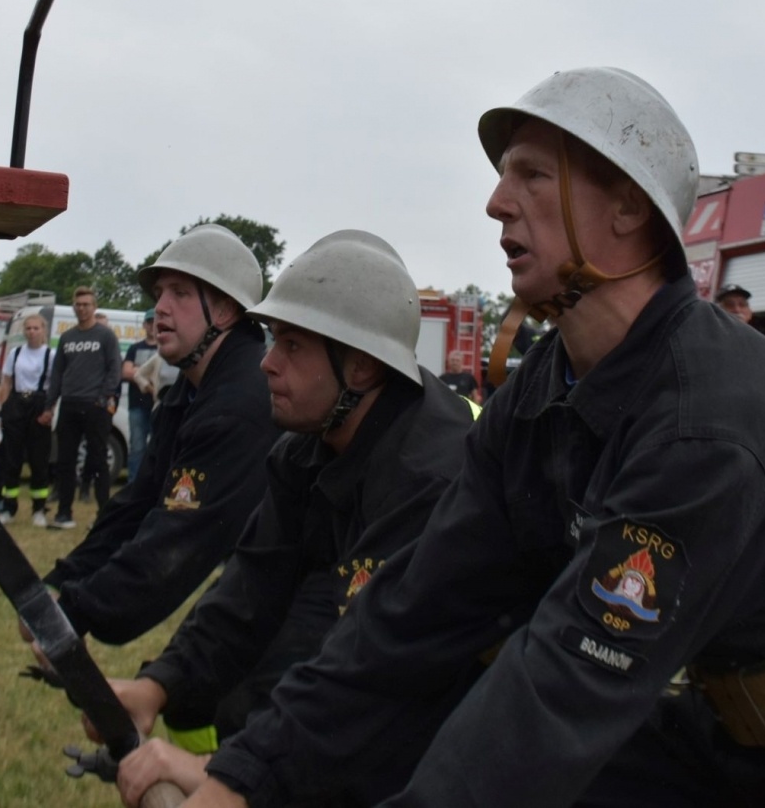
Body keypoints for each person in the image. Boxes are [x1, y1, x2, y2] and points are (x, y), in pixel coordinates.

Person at [190, 67, 765, 808]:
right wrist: (246, 773)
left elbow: (564, 683)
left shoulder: (703, 419)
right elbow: (413, 610)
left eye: (532, 173)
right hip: (725, 729)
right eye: (504, 174)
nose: (496, 201)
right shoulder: (542, 392)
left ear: (628, 209)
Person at [104, 231, 478, 806]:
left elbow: (368, 671)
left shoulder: (431, 478)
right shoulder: (306, 445)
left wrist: (230, 774)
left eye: (293, 345)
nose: (267, 363)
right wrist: (161, 684)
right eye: (273, 338)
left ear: (360, 367)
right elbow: (251, 587)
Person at [38, 224, 279, 647]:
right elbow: (139, 501)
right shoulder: (188, 392)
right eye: (160, 293)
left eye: (180, 293)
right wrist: (64, 580)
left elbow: (180, 539)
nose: (160, 308)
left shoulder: (240, 404)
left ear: (223, 311)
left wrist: (76, 612)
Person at [43, 286, 123, 527]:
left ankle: (102, 517)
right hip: (69, 404)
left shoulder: (106, 336)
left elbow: (115, 369)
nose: (82, 308)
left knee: (98, 461)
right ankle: (64, 513)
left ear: (94, 306)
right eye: (78, 304)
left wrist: (103, 396)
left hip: (96, 406)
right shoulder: (67, 338)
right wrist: (50, 405)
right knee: (65, 461)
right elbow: (57, 374)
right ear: (73, 307)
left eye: (86, 304)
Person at [0, 312, 55, 525]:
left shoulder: (50, 354)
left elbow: (55, 386)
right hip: (16, 404)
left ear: (43, 331)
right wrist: (2, 411)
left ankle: (39, 509)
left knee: (38, 460)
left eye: (36, 328)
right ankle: (8, 507)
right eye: (28, 328)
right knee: (11, 459)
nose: (31, 332)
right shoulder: (15, 353)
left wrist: (50, 410)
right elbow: (6, 382)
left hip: (39, 405)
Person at [122, 310, 162, 481]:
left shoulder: (163, 348)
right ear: (144, 325)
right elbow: (125, 372)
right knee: (137, 448)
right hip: (137, 406)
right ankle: (133, 485)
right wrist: (149, 376)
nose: (152, 325)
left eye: (155, 321)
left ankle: (153, 485)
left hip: (159, 406)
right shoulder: (134, 348)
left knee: (158, 447)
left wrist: (138, 371)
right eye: (149, 321)